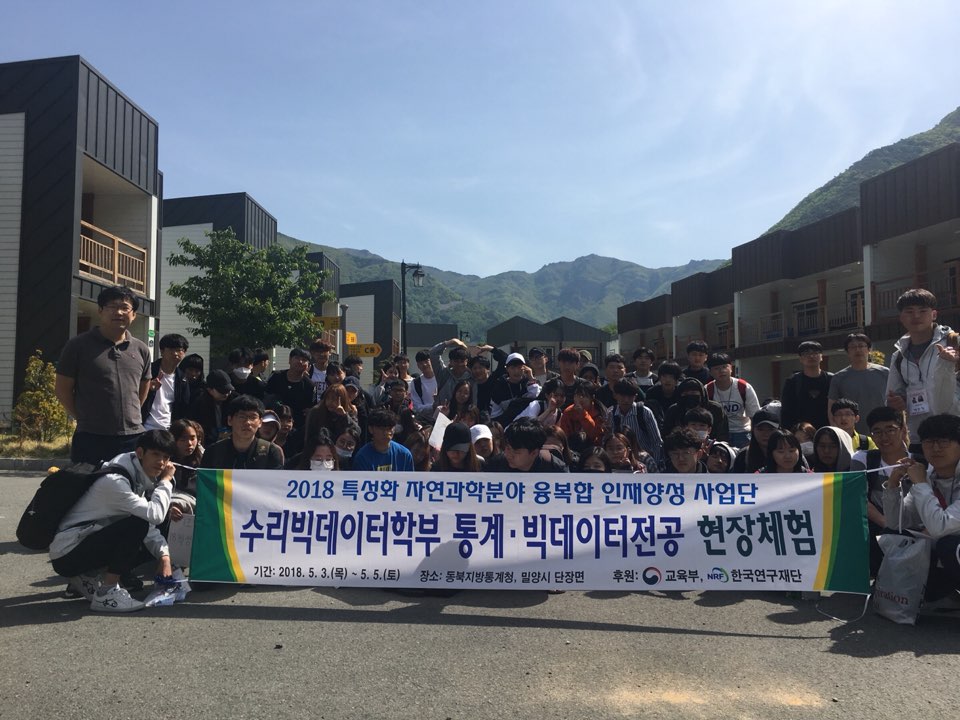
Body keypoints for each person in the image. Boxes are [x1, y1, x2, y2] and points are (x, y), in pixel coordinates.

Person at [49, 429, 179, 613]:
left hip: (74, 548)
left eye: (166, 457)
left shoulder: (133, 473)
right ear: (140, 453)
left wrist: (164, 556)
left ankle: (85, 576)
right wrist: (165, 481)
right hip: (67, 554)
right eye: (156, 454)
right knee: (137, 525)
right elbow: (155, 515)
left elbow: (150, 525)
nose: (161, 463)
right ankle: (107, 592)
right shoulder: (116, 482)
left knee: (142, 527)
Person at [55, 285, 152, 465]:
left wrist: (131, 414)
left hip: (132, 436)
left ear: (134, 314)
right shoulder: (78, 346)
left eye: (125, 307)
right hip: (91, 436)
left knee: (129, 482)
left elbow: (144, 385)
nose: (119, 312)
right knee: (88, 482)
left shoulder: (141, 349)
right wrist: (82, 417)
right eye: (112, 306)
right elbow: (62, 389)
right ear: (100, 310)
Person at [882, 413, 960, 604]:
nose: (936, 448)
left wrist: (920, 484)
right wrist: (893, 485)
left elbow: (940, 527)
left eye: (944, 441)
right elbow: (897, 523)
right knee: (892, 538)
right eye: (929, 442)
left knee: (949, 546)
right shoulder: (930, 475)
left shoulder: (923, 479)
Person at [885, 289, 960, 446]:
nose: (916, 316)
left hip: (954, 434)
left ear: (934, 314)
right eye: (909, 311)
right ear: (901, 317)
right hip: (919, 437)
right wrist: (897, 402)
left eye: (922, 311)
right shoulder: (898, 356)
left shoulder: (954, 343)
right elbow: (892, 397)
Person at [850, 406, 911, 576]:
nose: (884, 437)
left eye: (890, 430)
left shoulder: (920, 461)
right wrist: (889, 526)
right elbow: (859, 497)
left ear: (902, 430)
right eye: (877, 432)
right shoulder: (863, 459)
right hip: (879, 524)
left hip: (914, 526)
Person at [200, 395, 284, 470]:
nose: (247, 422)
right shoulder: (213, 452)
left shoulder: (270, 451)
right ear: (230, 420)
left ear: (260, 423)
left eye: (253, 417)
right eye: (242, 417)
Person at [828, 333, 889, 435]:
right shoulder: (839, 378)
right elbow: (831, 408)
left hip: (882, 431)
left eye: (861, 346)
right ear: (847, 352)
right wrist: (838, 433)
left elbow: (895, 402)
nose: (857, 350)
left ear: (869, 349)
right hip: (852, 434)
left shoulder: (884, 373)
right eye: (853, 347)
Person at [606, 379, 664, 471]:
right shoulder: (610, 413)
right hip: (618, 461)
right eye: (622, 396)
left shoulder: (644, 412)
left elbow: (656, 441)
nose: (626, 400)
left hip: (643, 459)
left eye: (630, 396)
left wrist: (655, 463)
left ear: (635, 396)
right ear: (615, 395)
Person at [704, 353, 759, 448]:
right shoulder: (707, 389)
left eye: (724, 367)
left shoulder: (744, 387)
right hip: (718, 434)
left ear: (731, 368)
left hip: (742, 432)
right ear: (711, 372)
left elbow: (755, 415)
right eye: (716, 368)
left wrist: (755, 438)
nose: (721, 371)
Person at [141, 333, 191, 431]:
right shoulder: (148, 371)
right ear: (162, 351)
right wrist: (148, 387)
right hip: (145, 427)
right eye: (171, 349)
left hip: (168, 430)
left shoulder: (182, 379)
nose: (175, 353)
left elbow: (184, 407)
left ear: (184, 353)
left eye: (179, 350)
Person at [780, 341, 833, 431]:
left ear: (821, 357)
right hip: (801, 433)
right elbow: (786, 412)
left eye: (815, 353)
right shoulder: (793, 381)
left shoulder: (831, 379)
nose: (811, 356)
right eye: (806, 353)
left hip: (827, 431)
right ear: (800, 359)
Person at [486, 418, 568, 472]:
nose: (509, 455)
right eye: (507, 448)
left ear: (534, 453)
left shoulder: (556, 469)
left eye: (516, 452)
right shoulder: (495, 465)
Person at [663, 377, 729, 442]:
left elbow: (722, 434)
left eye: (693, 392)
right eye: (685, 393)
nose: (689, 395)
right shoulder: (673, 411)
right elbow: (667, 434)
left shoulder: (715, 409)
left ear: (701, 393)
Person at [488, 353, 541, 425]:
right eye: (512, 368)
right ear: (507, 369)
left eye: (519, 367)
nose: (516, 371)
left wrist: (531, 378)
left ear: (525, 368)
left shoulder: (529, 382)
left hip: (528, 424)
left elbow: (537, 397)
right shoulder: (499, 386)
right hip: (507, 425)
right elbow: (495, 415)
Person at [187, 369, 236, 447]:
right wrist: (216, 435)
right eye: (222, 391)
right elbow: (197, 427)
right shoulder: (199, 404)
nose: (226, 394)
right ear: (210, 390)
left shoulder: (234, 400)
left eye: (228, 390)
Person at [559, 381, 606, 447]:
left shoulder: (599, 412)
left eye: (583, 396)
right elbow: (564, 435)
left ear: (592, 398)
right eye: (577, 395)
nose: (580, 399)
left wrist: (583, 414)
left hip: (592, 447)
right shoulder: (568, 412)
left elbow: (594, 435)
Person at [410, 350, 440, 421]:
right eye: (421, 363)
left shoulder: (441, 377)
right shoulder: (415, 382)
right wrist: (433, 406)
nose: (424, 365)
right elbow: (417, 407)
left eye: (426, 361)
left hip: (443, 418)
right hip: (425, 421)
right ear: (418, 365)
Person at [308, 340, 334, 404]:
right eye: (318, 351)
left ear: (330, 352)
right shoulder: (308, 370)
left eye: (324, 351)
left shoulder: (334, 371)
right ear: (312, 353)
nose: (321, 354)